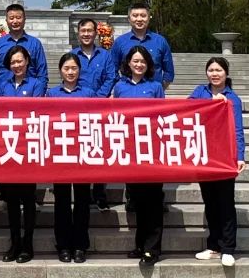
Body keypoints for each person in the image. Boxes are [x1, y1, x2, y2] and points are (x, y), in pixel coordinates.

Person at [112, 45, 166, 265]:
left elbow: (163, 115)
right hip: (129, 150)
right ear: (128, 63)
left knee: (153, 201)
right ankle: (140, 244)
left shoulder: (155, 86)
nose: (139, 64)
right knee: (138, 201)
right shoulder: (119, 87)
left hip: (151, 150)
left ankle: (152, 249)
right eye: (135, 61)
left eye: (143, 61)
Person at [190, 56, 245, 268]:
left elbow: (237, 129)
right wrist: (209, 104)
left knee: (225, 203)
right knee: (210, 202)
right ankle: (214, 246)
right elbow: (185, 109)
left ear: (226, 73)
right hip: (204, 154)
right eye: (211, 70)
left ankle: (228, 248)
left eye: (218, 70)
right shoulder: (199, 92)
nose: (214, 74)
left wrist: (240, 156)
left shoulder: (233, 99)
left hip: (224, 156)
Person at [0, 45, 45, 262]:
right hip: (8, 147)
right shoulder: (3, 85)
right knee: (12, 200)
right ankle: (15, 243)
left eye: (20, 61)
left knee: (28, 198)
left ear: (27, 62)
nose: (17, 65)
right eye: (13, 62)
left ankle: (27, 244)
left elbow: (36, 111)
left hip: (28, 146)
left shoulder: (36, 84)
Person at [48, 52, 92, 263]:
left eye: (74, 68)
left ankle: (81, 245)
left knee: (82, 201)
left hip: (83, 152)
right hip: (60, 153)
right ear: (60, 71)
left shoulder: (88, 93)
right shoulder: (52, 94)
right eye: (66, 68)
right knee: (62, 201)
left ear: (79, 70)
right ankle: (64, 245)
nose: (70, 72)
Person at [71, 18, 114, 211]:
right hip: (78, 110)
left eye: (90, 30)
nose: (86, 34)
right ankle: (84, 193)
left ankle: (100, 193)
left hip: (100, 109)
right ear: (78, 33)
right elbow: (68, 77)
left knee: (99, 151)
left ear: (96, 33)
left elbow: (111, 77)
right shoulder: (72, 55)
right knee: (81, 150)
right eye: (83, 31)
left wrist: (96, 98)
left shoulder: (105, 56)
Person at [103, 3, 174, 94]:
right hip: (127, 95)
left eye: (143, 16)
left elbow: (169, 72)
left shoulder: (160, 41)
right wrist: (121, 86)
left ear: (149, 18)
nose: (139, 19)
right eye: (135, 15)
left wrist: (159, 88)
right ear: (129, 19)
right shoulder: (120, 42)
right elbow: (112, 70)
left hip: (153, 95)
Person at [0, 3, 47, 90]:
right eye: (11, 18)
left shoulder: (35, 44)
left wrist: (39, 93)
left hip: (29, 94)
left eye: (18, 17)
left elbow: (42, 73)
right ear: (6, 20)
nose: (15, 21)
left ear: (24, 19)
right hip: (2, 94)